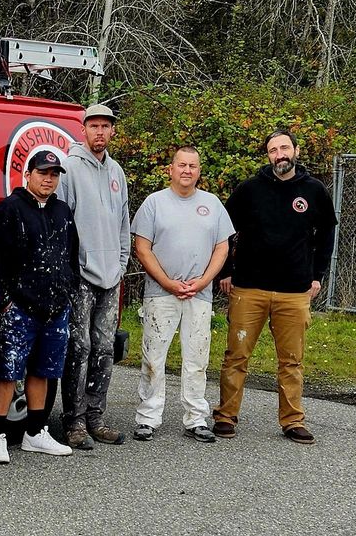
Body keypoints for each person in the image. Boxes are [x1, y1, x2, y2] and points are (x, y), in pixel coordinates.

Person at [213, 130, 337, 444]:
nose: (279, 154)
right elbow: (224, 232)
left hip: (294, 291)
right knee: (236, 356)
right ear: (268, 156)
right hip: (249, 288)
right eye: (272, 150)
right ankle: (225, 416)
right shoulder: (249, 190)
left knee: (291, 361)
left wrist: (317, 275)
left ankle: (293, 420)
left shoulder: (315, 191)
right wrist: (225, 272)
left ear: (295, 150)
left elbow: (325, 236)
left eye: (284, 147)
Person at [129, 146, 234, 443]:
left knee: (197, 357)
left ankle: (196, 418)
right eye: (182, 165)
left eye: (193, 166)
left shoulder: (212, 205)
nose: (187, 171)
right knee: (154, 357)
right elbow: (142, 247)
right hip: (160, 293)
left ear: (199, 171)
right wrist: (167, 282)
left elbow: (222, 248)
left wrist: (202, 281)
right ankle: (148, 417)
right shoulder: (154, 203)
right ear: (171, 169)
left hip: (198, 296)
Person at [0, 149, 80, 462]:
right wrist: (6, 299)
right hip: (19, 307)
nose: (48, 179)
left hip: (55, 306)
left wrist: (68, 290)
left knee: (44, 370)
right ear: (28, 175)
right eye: (43, 173)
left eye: (54, 174)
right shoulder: (9, 209)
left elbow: (71, 255)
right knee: (7, 371)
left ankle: (36, 432)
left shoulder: (63, 211)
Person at [57, 102, 131, 449]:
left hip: (110, 277)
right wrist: (72, 268)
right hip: (81, 276)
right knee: (79, 347)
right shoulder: (69, 169)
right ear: (83, 129)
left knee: (104, 347)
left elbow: (123, 223)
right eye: (94, 126)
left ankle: (95, 417)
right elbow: (62, 222)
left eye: (106, 126)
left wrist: (121, 262)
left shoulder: (116, 172)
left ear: (113, 131)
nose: (100, 132)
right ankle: (73, 422)